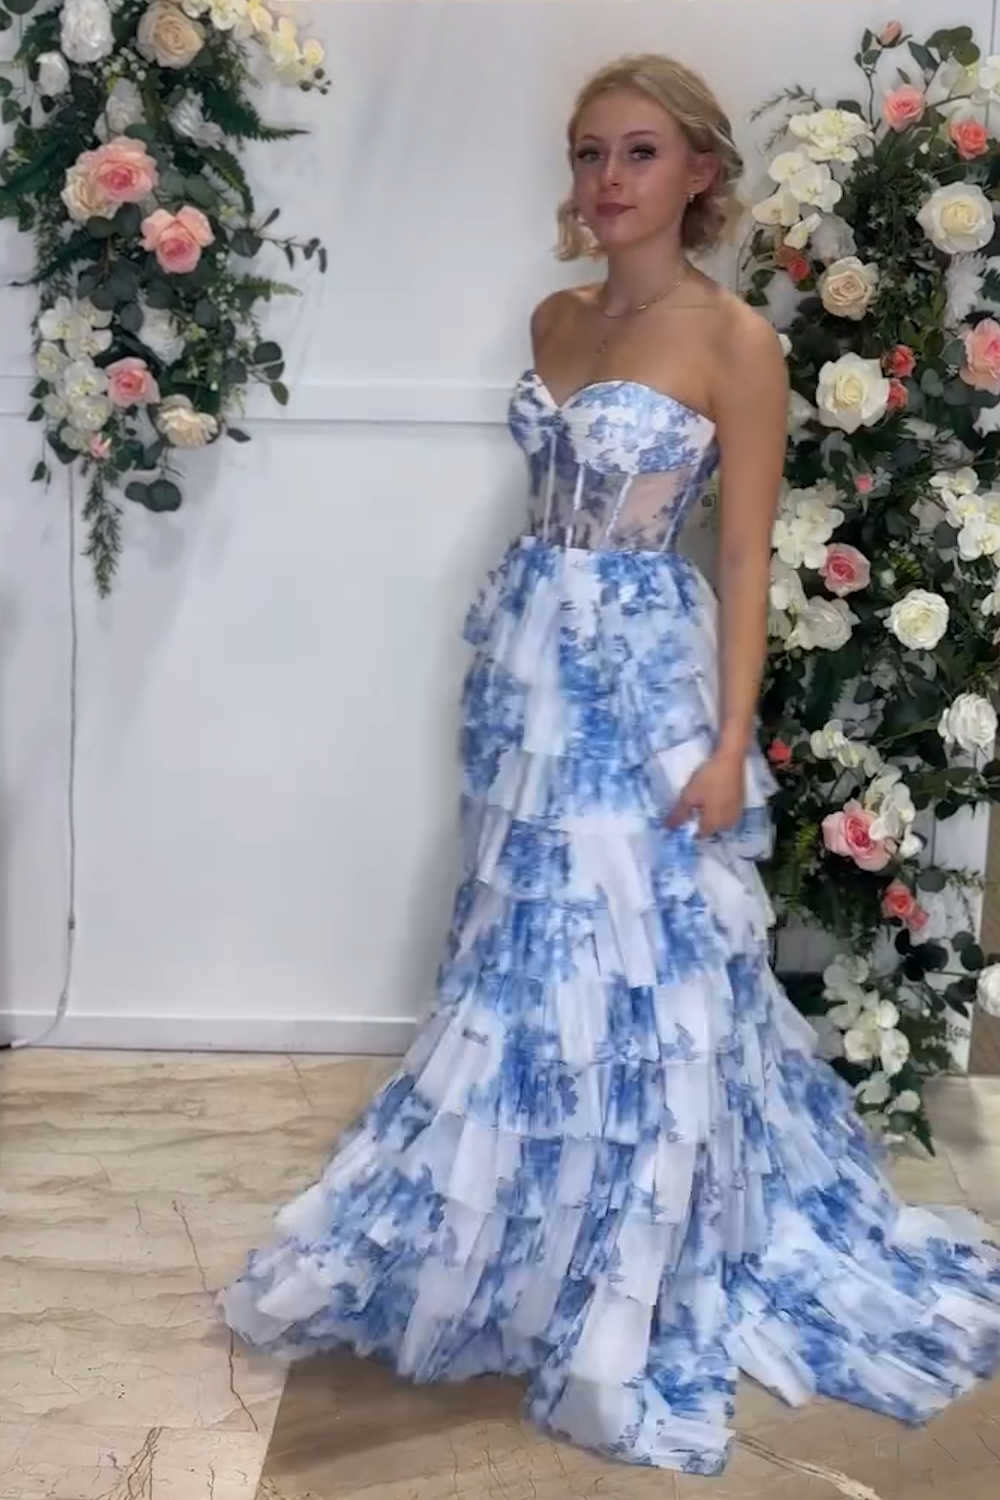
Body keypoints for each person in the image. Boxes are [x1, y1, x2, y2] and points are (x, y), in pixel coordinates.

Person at [220, 55, 1000, 1475]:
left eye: (638, 152)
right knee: (526, 945)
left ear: (700, 171)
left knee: (645, 959)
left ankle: (633, 1237)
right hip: (526, 671)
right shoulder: (556, 317)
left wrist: (728, 743)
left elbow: (745, 556)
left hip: (645, 684)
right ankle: (520, 1230)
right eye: (589, 152)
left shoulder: (734, 342)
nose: (607, 180)